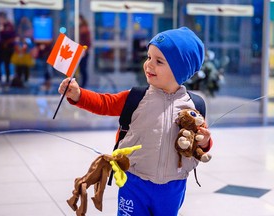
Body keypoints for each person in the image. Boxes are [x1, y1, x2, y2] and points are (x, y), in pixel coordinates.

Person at [58, 27, 213, 215]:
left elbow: (199, 143)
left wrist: (205, 142)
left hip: (173, 185)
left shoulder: (193, 107)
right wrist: (78, 94)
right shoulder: (137, 97)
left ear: (179, 69)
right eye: (148, 57)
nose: (149, 65)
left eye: (159, 61)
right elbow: (104, 103)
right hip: (134, 182)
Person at [0, 11, 16, 86]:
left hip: (7, 49)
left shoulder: (9, 25)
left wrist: (6, 42)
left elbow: (12, 36)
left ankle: (7, 79)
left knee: (6, 64)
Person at [78, 14, 91, 88]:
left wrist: (84, 50)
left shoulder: (84, 29)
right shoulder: (81, 28)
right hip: (81, 51)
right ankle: (82, 84)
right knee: (81, 69)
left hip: (83, 52)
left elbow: (88, 43)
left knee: (83, 69)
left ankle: (83, 85)